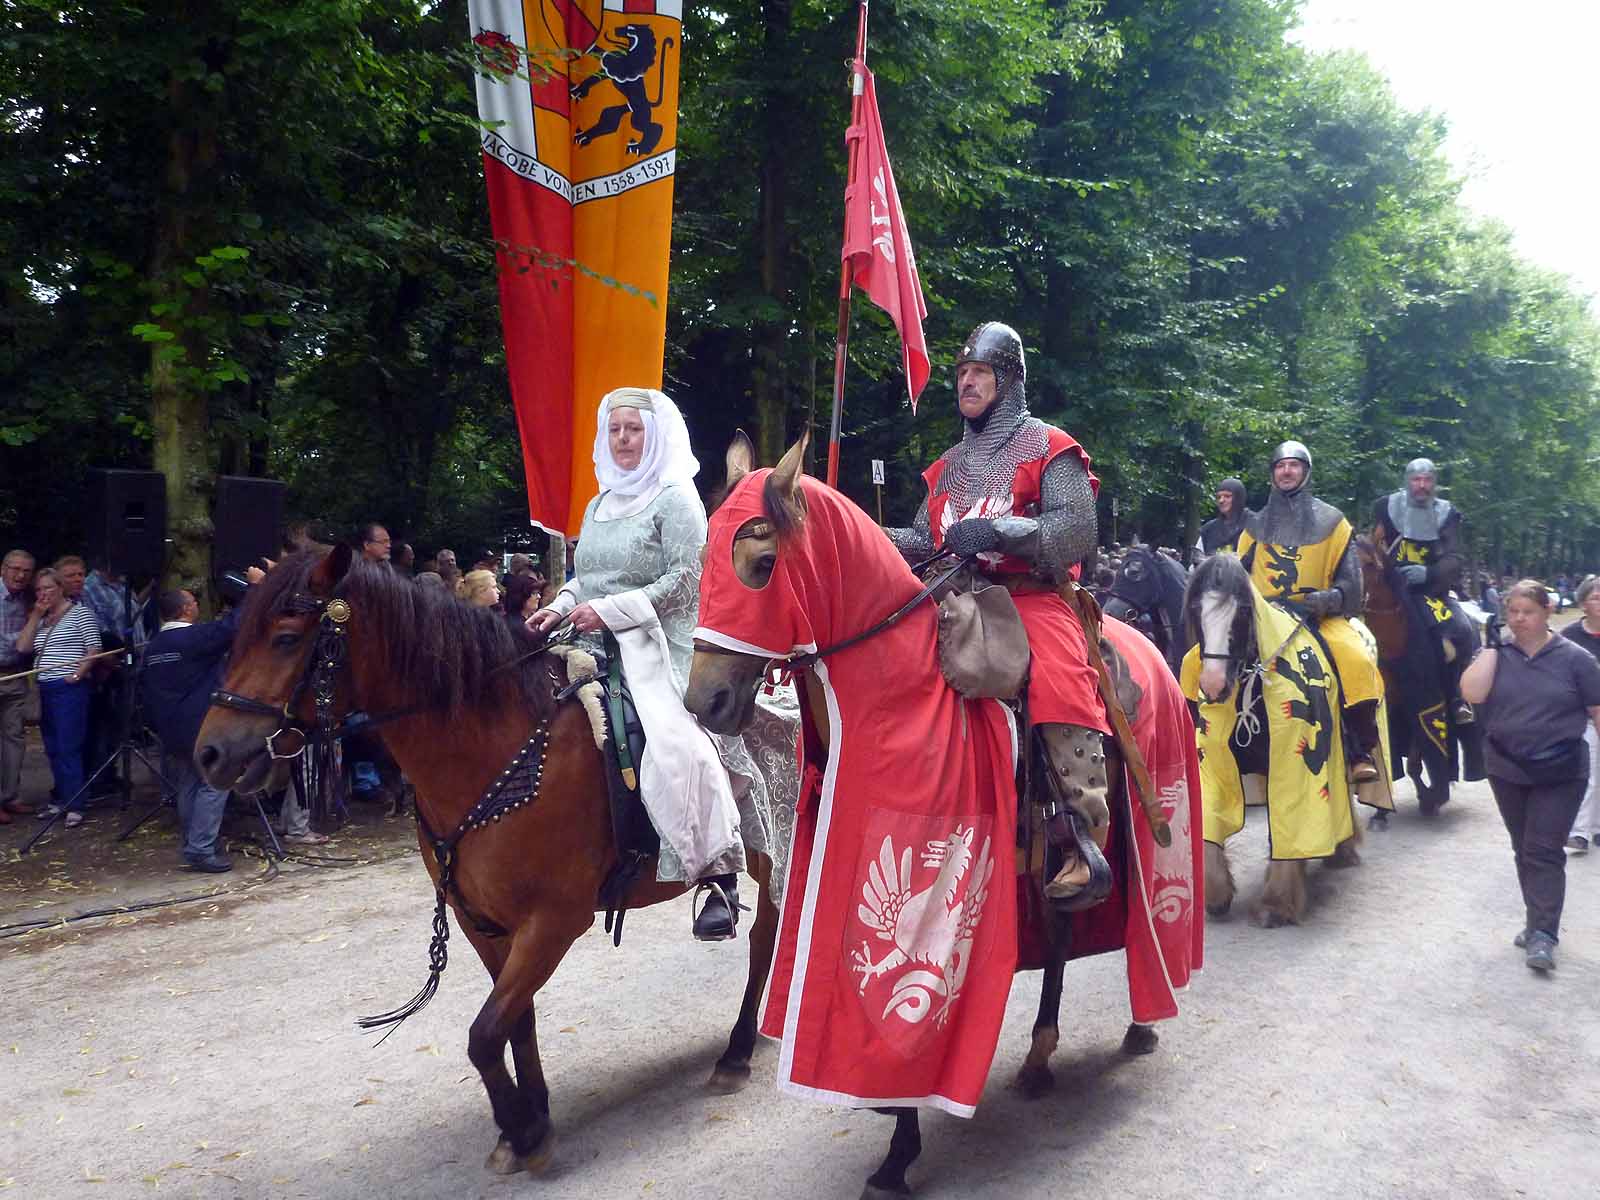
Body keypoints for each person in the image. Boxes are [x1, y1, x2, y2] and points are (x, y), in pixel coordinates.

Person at [527, 386, 786, 940]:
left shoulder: (676, 500)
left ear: (656, 436)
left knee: (679, 744)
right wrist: (558, 606)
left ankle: (719, 874)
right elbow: (586, 579)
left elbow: (686, 580)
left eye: (634, 429)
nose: (623, 439)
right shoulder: (598, 505)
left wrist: (611, 611)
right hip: (589, 636)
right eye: (615, 429)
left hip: (661, 643)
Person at [882, 320, 1115, 906]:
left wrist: (1004, 533)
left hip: (1032, 596)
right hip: (955, 596)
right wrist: (857, 535)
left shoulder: (1049, 447)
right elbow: (920, 538)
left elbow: (1075, 531)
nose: (967, 383)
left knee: (1060, 679)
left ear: (1009, 381)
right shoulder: (949, 466)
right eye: (962, 374)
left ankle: (1079, 835)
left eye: (979, 372)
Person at [1461, 581, 1600, 971]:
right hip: (1507, 768)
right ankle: (1535, 920)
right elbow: (1471, 694)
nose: (1520, 619)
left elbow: (1597, 710)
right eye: (1514, 612)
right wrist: (1490, 647)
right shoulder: (1497, 654)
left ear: (1547, 612)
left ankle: (1543, 935)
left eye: (1529, 612)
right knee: (1523, 847)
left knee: (1543, 850)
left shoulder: (1575, 659)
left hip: (1561, 770)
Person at [1234, 441, 1383, 781]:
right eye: (1280, 466)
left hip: (1318, 616)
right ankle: (1210, 745)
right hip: (1264, 618)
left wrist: (1328, 599)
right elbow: (1237, 575)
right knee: (1202, 660)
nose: (1286, 471)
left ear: (1306, 472)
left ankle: (1359, 750)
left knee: (1356, 660)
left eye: (1294, 466)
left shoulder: (1334, 522)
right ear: (1273, 474)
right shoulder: (1255, 526)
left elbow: (1353, 586)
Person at [140, 570, 264, 871]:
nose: (197, 605)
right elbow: (234, 625)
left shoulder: (153, 647)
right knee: (215, 784)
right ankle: (201, 848)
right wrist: (255, 589)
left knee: (190, 784)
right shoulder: (192, 638)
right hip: (202, 726)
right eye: (194, 602)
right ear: (185, 609)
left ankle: (192, 842)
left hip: (170, 729)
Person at [1370, 458, 1477, 723]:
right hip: (1392, 592)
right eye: (1416, 480)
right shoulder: (1386, 507)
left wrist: (1429, 573)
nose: (1422, 485)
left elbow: (1454, 557)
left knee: (1461, 631)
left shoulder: (1447, 514)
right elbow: (1374, 543)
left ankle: (1456, 697)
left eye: (1427, 479)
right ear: (1407, 481)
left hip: (1432, 592)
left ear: (1434, 482)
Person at [14, 567, 102, 827]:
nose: (43, 594)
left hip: (68, 688)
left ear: (60, 588)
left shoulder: (80, 614)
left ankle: (76, 802)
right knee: (52, 748)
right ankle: (61, 797)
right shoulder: (42, 620)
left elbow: (94, 648)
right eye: (39, 590)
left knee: (68, 746)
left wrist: (77, 675)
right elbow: (22, 647)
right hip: (45, 688)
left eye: (48, 588)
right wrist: (36, 615)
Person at [1562, 576, 1600, 854]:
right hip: (1585, 715)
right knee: (1588, 774)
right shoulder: (1570, 637)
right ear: (1583, 602)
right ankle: (1579, 833)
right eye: (1597, 598)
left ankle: (1596, 828)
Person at [0, 549, 38, 823]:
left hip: (15, 675)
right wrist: (29, 630)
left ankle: (9, 795)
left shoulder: (26, 599)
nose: (21, 575)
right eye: (15, 569)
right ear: (3, 569)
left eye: (26, 571)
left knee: (14, 738)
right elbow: (5, 643)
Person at [1194, 477, 1248, 561]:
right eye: (1219, 497)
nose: (1221, 500)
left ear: (1239, 498)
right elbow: (1196, 563)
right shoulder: (1208, 529)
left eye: (1227, 496)